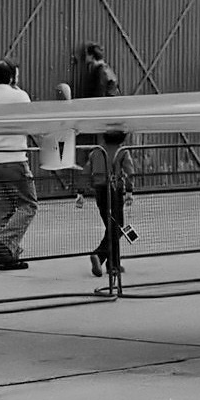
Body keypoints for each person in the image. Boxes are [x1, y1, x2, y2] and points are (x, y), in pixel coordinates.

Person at [0, 61, 37, 270]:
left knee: (3, 209)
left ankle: (8, 258)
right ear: (12, 77)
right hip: (14, 158)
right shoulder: (20, 96)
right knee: (29, 204)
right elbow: (30, 125)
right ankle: (3, 241)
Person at [77, 43, 126, 277]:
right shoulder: (108, 71)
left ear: (89, 57)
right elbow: (129, 170)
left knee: (112, 223)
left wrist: (80, 190)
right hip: (115, 186)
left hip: (99, 186)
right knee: (116, 223)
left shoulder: (97, 150)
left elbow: (97, 99)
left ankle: (112, 263)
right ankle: (105, 257)